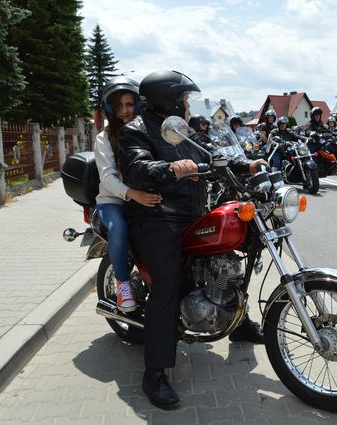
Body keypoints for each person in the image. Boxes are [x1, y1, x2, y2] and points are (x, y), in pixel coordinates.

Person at [118, 70, 266, 409]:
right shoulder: (135, 131)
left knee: (234, 252)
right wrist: (170, 169)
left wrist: (246, 165)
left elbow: (213, 152)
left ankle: (237, 320)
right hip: (157, 219)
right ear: (169, 100)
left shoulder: (181, 130)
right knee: (167, 285)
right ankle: (154, 373)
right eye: (184, 100)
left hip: (190, 213)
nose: (188, 105)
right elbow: (136, 168)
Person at [93, 76, 162, 313]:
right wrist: (133, 194)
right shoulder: (103, 138)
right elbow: (107, 177)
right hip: (112, 200)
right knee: (118, 227)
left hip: (142, 196)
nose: (125, 110)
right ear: (111, 108)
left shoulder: (147, 131)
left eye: (130, 104)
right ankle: (122, 283)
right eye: (120, 105)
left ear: (138, 105)